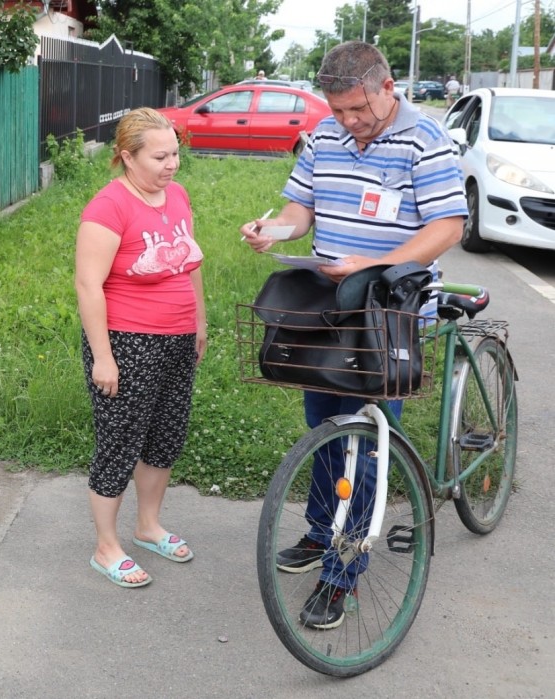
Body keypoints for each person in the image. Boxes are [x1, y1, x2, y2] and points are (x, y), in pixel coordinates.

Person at [240, 41, 467, 627]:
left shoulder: (425, 140)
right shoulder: (322, 137)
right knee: (323, 424)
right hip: (331, 303)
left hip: (390, 308)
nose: (347, 123)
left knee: (365, 439)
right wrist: (273, 230)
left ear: (387, 87)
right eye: (337, 111)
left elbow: (447, 226)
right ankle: (321, 531)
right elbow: (300, 209)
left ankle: (344, 568)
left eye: (357, 111)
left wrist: (377, 265)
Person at [75, 107, 207, 588]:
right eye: (160, 156)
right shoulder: (108, 207)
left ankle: (148, 526)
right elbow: (89, 286)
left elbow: (190, 263)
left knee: (164, 436)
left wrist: (199, 323)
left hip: (176, 338)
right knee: (119, 444)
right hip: (128, 343)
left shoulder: (177, 196)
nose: (172, 164)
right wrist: (103, 356)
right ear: (127, 157)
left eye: (175, 152)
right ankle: (106, 547)